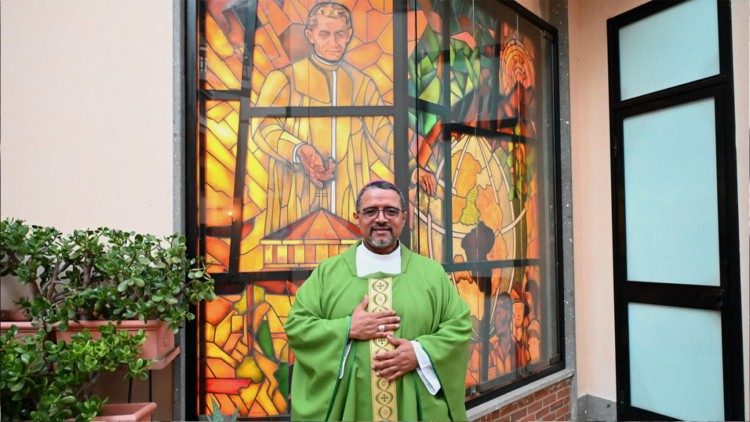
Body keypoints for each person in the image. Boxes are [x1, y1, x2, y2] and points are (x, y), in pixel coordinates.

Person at [285, 180, 472, 421]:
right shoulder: (327, 273)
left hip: (413, 408)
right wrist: (347, 329)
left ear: (404, 218)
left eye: (390, 211)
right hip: (350, 408)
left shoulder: (432, 273)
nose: (381, 219)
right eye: (371, 211)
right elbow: (297, 326)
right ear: (357, 218)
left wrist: (420, 353)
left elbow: (459, 326)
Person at [250, 2, 393, 235]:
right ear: (310, 35)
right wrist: (299, 150)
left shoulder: (362, 83)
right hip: (296, 195)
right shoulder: (283, 78)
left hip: (348, 197)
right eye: (325, 34)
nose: (334, 43)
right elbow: (263, 127)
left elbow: (383, 132)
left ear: (349, 35)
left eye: (340, 35)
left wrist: (412, 167)